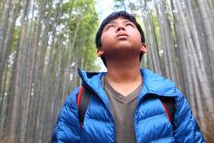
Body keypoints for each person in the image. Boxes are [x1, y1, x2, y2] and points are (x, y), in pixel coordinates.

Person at [51, 11, 204, 142]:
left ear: (143, 46)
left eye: (129, 25)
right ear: (100, 50)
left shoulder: (168, 95)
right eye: (111, 27)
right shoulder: (80, 99)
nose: (120, 27)